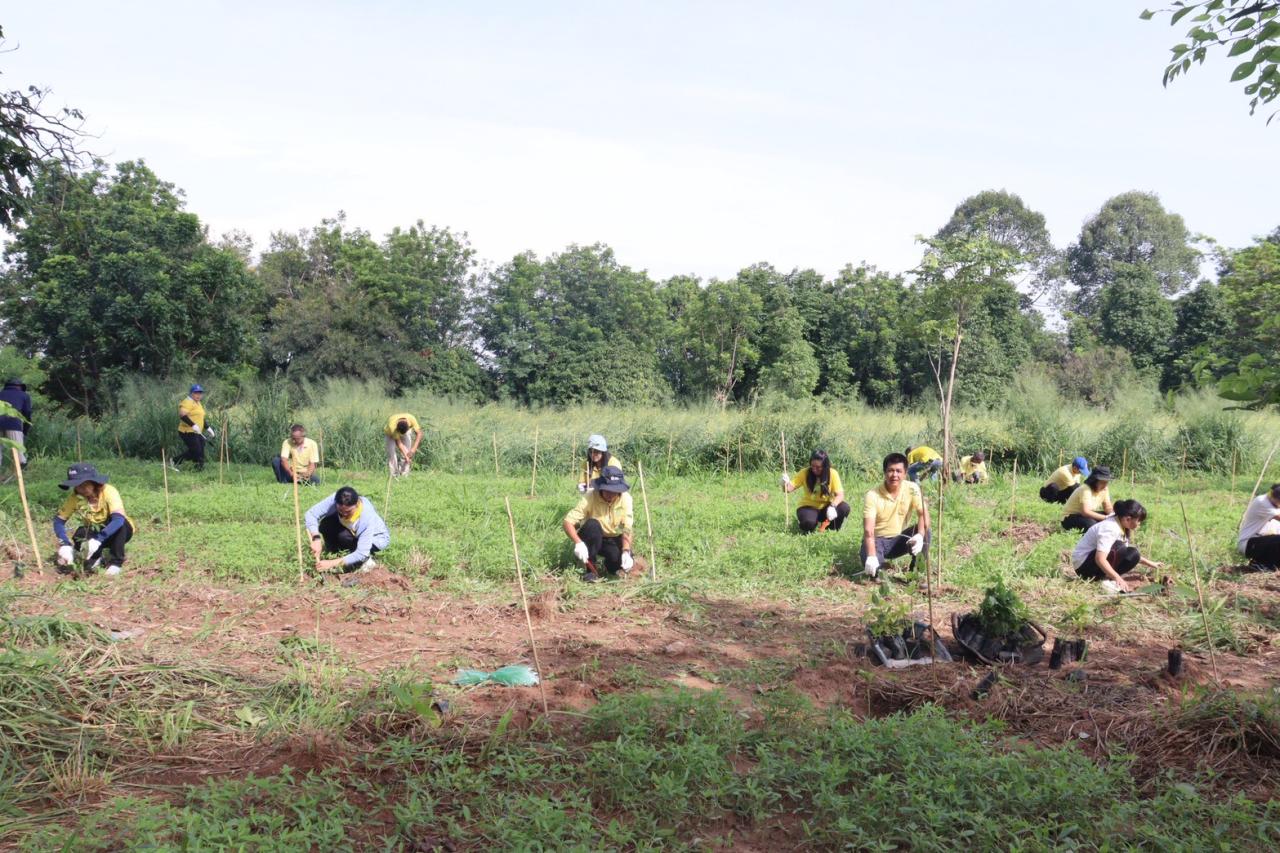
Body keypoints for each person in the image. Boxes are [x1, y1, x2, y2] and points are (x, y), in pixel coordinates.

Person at [52, 463, 134, 577]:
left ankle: (116, 563)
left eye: (85, 484)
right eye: (78, 486)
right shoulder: (75, 498)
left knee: (122, 526)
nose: (82, 489)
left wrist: (98, 539)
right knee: (80, 534)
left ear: (94, 482)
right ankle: (95, 558)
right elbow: (59, 521)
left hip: (115, 532)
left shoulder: (108, 491)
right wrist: (64, 543)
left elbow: (118, 520)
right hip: (94, 529)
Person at [861, 452, 931, 579]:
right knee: (876, 574)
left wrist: (920, 535)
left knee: (926, 532)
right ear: (884, 472)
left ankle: (915, 574)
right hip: (877, 541)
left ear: (905, 473)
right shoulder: (872, 495)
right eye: (890, 471)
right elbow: (868, 530)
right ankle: (879, 566)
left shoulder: (912, 488)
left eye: (899, 471)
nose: (894, 475)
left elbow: (923, 514)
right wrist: (871, 555)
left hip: (899, 539)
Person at [1071, 499, 1163, 593]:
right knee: (1120, 547)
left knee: (1133, 554)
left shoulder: (1121, 524)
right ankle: (1104, 579)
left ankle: (1106, 577)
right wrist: (1117, 577)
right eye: (1139, 521)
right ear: (1128, 519)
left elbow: (1126, 553)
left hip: (1093, 562)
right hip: (1084, 568)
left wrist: (1152, 564)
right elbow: (1100, 559)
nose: (1139, 524)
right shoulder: (1110, 528)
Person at [563, 465, 634, 582]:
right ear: (601, 487)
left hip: (611, 538)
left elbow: (627, 528)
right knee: (592, 525)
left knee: (617, 562)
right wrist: (578, 543)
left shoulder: (626, 499)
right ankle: (591, 570)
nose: (611, 494)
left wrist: (626, 550)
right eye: (607, 490)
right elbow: (568, 522)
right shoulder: (590, 496)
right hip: (592, 537)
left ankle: (610, 567)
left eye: (614, 491)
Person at [304, 486, 389, 573]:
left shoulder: (366, 517)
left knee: (344, 537)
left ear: (357, 505)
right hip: (351, 531)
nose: (344, 514)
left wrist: (332, 563)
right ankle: (334, 553)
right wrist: (316, 539)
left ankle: (365, 562)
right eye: (340, 510)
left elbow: (361, 552)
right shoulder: (336, 499)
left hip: (375, 540)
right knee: (326, 524)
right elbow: (311, 514)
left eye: (348, 512)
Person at [780, 449, 850, 533]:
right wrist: (784, 483)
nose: (814, 469)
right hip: (809, 507)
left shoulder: (832, 473)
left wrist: (833, 506)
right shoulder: (805, 473)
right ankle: (807, 523)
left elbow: (840, 495)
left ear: (825, 466)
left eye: (818, 467)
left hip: (827, 508)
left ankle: (830, 529)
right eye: (812, 466)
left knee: (844, 507)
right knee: (808, 523)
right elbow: (788, 489)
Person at [1238, 484, 1280, 571]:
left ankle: (1267, 563)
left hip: (1265, 542)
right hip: (1249, 543)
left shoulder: (1273, 503)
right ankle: (1260, 563)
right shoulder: (1262, 502)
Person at [173, 384, 214, 471]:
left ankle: (198, 466)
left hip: (196, 431)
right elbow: (182, 415)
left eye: (200, 393)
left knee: (200, 447)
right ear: (191, 393)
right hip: (187, 431)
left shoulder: (198, 403)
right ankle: (177, 461)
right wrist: (193, 425)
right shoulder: (187, 402)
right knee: (196, 450)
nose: (198, 395)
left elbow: (200, 417)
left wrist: (208, 428)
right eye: (196, 393)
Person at [1061, 467, 1114, 532]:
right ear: (1095, 481)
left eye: (1106, 482)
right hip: (1070, 517)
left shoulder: (1104, 489)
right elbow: (1085, 512)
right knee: (1091, 524)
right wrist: (1106, 518)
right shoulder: (1085, 489)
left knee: (1112, 518)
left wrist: (1112, 515)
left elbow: (1107, 507)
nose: (1105, 485)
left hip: (1084, 515)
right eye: (1102, 482)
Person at [0, 377, 32, 473]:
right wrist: (25, 431)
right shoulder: (24, 395)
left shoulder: (0, 394)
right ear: (20, 387)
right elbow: (27, 413)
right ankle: (19, 476)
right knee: (18, 452)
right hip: (14, 424)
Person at [384, 412, 422, 478]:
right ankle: (394, 475)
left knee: (408, 452)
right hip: (390, 433)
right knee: (392, 454)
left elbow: (419, 434)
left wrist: (413, 449)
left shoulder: (411, 419)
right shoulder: (392, 427)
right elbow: (399, 444)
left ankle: (404, 474)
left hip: (403, 429)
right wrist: (406, 456)